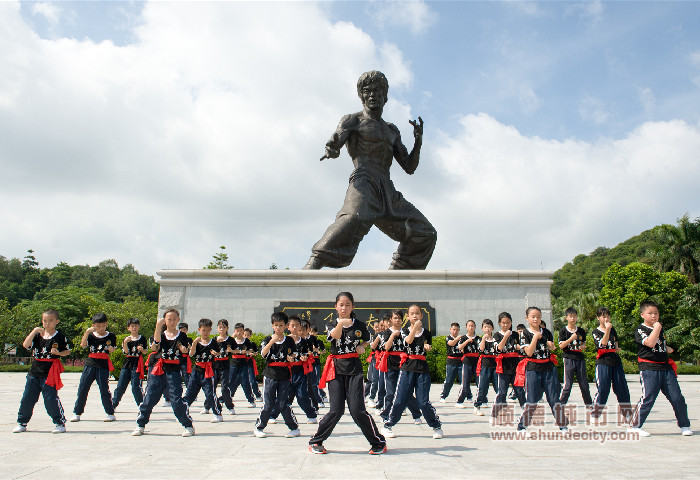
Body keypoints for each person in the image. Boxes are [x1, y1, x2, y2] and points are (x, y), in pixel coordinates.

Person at [303, 71, 436, 270]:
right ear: (362, 96)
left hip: (387, 189)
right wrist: (332, 148)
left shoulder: (392, 130)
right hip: (364, 180)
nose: (372, 95)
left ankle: (399, 273)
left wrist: (418, 141)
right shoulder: (352, 121)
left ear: (385, 96)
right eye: (368, 91)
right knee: (352, 217)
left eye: (377, 91)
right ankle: (315, 262)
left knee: (425, 232)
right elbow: (336, 143)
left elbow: (409, 167)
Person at [309, 292, 386, 455]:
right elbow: (335, 336)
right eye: (341, 305)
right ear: (335, 306)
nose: (344, 308)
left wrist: (363, 346)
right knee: (336, 410)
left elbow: (367, 339)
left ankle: (378, 442)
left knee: (357, 410)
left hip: (354, 369)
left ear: (353, 306)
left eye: (347, 305)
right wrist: (341, 324)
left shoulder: (359, 325)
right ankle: (316, 441)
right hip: (335, 369)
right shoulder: (331, 324)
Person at [629, 300, 692, 436]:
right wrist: (657, 327)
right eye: (650, 313)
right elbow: (650, 343)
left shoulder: (659, 329)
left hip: (665, 367)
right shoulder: (640, 329)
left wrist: (666, 348)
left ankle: (684, 425)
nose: (654, 316)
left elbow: (658, 344)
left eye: (656, 313)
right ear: (642, 315)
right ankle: (634, 427)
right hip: (649, 368)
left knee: (677, 397)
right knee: (648, 397)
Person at [381, 305, 442, 439]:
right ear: (408, 317)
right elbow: (408, 341)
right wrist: (415, 327)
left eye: (417, 313)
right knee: (400, 399)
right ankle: (388, 424)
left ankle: (436, 425)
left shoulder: (426, 332)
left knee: (423, 402)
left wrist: (427, 346)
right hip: (407, 368)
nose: (415, 316)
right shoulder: (403, 331)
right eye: (412, 314)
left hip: (422, 368)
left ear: (421, 315)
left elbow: (428, 344)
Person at [132, 308, 194, 437]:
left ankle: (188, 425)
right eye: (168, 319)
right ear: (164, 320)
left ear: (178, 320)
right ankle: (140, 424)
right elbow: (154, 347)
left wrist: (183, 349)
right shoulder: (160, 334)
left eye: (174, 319)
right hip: (158, 369)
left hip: (174, 371)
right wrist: (158, 327)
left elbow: (184, 351)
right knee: (149, 398)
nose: (171, 322)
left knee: (176, 399)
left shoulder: (182, 336)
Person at [13, 309, 70, 434]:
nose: (47, 323)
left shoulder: (60, 337)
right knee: (27, 398)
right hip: (34, 371)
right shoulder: (37, 336)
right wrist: (34, 331)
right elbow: (25, 345)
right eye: (45, 320)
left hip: (49, 372)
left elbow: (67, 351)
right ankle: (22, 422)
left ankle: (59, 422)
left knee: (50, 398)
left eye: (50, 321)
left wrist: (58, 353)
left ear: (57, 321)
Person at [515, 307, 568, 434]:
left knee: (554, 398)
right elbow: (528, 352)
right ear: (527, 318)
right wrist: (535, 338)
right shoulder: (525, 334)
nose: (536, 319)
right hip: (533, 368)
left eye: (538, 316)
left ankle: (563, 425)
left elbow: (552, 347)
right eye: (533, 316)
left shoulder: (547, 332)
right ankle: (522, 426)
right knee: (532, 399)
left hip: (548, 368)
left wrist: (551, 346)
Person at [253, 311, 299, 438]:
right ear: (272, 326)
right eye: (276, 325)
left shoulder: (289, 340)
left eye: (281, 325)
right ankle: (259, 427)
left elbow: (294, 353)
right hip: (270, 374)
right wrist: (272, 342)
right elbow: (263, 354)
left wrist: (291, 357)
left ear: (285, 326)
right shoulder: (268, 339)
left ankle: (294, 428)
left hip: (284, 374)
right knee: (268, 403)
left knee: (283, 403)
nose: (278, 328)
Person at [377, 309, 422, 424]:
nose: (397, 320)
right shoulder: (386, 332)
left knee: (406, 392)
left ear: (403, 320)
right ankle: (386, 415)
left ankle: (416, 414)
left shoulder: (406, 331)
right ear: (391, 319)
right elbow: (386, 347)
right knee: (391, 392)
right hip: (391, 365)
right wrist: (392, 335)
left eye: (399, 318)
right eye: (395, 318)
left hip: (405, 365)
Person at [71, 313, 116, 422]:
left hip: (103, 364)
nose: (100, 328)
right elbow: (82, 345)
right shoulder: (91, 335)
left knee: (104, 389)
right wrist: (87, 332)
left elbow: (113, 349)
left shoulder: (111, 336)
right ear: (93, 325)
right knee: (83, 387)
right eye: (97, 326)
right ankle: (77, 412)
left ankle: (110, 413)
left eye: (102, 326)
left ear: (106, 324)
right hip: (90, 363)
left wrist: (111, 349)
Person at [590, 307, 632, 421]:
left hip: (615, 360)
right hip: (603, 361)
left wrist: (617, 347)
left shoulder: (613, 330)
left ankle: (627, 413)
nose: (606, 318)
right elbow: (602, 344)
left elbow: (615, 343)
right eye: (604, 316)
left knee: (621, 387)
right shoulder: (596, 331)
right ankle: (595, 413)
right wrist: (607, 330)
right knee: (603, 388)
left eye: (608, 316)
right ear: (598, 318)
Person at [184, 318, 223, 423]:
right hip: (196, 370)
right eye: (203, 330)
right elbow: (191, 354)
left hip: (209, 371)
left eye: (207, 330)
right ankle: (183, 411)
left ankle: (218, 413)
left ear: (210, 330)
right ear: (199, 330)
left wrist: (216, 353)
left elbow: (219, 353)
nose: (205, 332)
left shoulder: (213, 342)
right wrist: (194, 343)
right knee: (190, 392)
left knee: (210, 393)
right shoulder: (196, 342)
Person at [492, 312, 525, 418]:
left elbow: (521, 346)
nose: (506, 325)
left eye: (508, 323)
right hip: (503, 366)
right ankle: (496, 412)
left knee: (519, 389)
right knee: (502, 391)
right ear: (499, 323)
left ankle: (526, 410)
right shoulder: (497, 335)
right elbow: (499, 348)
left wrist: (520, 347)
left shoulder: (515, 334)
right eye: (503, 323)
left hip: (515, 364)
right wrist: (505, 336)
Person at [558, 307, 592, 407]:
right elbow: (561, 345)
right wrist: (571, 338)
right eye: (570, 316)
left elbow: (584, 342)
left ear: (577, 317)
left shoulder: (581, 331)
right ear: (566, 317)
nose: (572, 319)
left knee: (584, 383)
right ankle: (561, 404)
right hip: (568, 357)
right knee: (568, 384)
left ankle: (589, 404)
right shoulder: (563, 331)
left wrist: (583, 346)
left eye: (574, 316)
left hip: (579, 357)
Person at [112, 318, 147, 410]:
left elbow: (145, 352)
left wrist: (141, 349)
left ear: (139, 327)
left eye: (136, 326)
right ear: (128, 328)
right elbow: (126, 352)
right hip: (128, 363)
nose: (134, 328)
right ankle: (113, 404)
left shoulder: (142, 338)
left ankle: (141, 405)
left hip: (137, 363)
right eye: (132, 326)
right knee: (120, 386)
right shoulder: (127, 339)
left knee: (136, 386)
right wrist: (125, 343)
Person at [203, 319, 235, 415]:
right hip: (214, 366)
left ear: (227, 328)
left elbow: (236, 350)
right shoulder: (213, 339)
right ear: (217, 328)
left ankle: (230, 407)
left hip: (225, 365)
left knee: (224, 388)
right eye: (220, 327)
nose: (222, 329)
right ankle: (207, 406)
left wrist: (231, 350)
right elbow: (207, 350)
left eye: (224, 327)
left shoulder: (230, 340)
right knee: (211, 388)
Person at [227, 322, 257, 408]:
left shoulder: (246, 341)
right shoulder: (232, 340)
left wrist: (245, 352)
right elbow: (228, 349)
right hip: (234, 362)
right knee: (231, 380)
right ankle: (228, 397)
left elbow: (250, 350)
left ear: (243, 331)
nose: (239, 333)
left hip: (243, 362)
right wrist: (234, 350)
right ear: (235, 331)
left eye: (241, 330)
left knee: (245, 381)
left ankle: (251, 400)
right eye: (237, 331)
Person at [473, 319, 498, 416]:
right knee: (483, 387)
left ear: (492, 328)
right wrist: (484, 339)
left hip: (495, 365)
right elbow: (481, 349)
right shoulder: (480, 339)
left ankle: (499, 406)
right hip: (485, 365)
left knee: (498, 387)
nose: (487, 329)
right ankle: (477, 406)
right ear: (482, 328)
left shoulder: (496, 339)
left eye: (489, 327)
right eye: (485, 327)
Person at [455, 320, 480, 408]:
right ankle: (459, 401)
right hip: (467, 361)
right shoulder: (463, 338)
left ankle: (481, 400)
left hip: (477, 361)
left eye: (472, 326)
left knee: (479, 383)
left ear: (475, 327)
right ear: (466, 327)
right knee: (465, 383)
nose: (471, 327)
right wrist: (467, 341)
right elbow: (459, 347)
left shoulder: (478, 338)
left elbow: (481, 348)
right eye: (469, 326)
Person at [439, 322, 463, 403]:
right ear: (450, 329)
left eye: (457, 330)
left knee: (463, 380)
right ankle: (443, 396)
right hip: (451, 361)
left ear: (459, 330)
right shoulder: (448, 338)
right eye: (453, 330)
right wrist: (458, 339)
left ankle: (467, 396)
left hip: (460, 361)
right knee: (449, 380)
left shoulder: (462, 339)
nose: (455, 331)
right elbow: (451, 343)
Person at [244, 327, 262, 401]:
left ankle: (257, 395)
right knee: (235, 380)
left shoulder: (252, 344)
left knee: (252, 380)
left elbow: (256, 352)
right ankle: (229, 396)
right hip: (241, 363)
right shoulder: (240, 343)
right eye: (245, 335)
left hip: (250, 363)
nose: (246, 336)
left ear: (250, 336)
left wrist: (253, 353)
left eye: (248, 335)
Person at [178, 322, 193, 388]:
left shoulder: (189, 339)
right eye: (180, 329)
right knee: (177, 376)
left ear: (187, 330)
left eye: (184, 329)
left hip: (185, 359)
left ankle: (190, 391)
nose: (182, 331)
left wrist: (190, 348)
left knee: (186, 375)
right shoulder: (177, 339)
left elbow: (192, 351)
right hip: (178, 358)